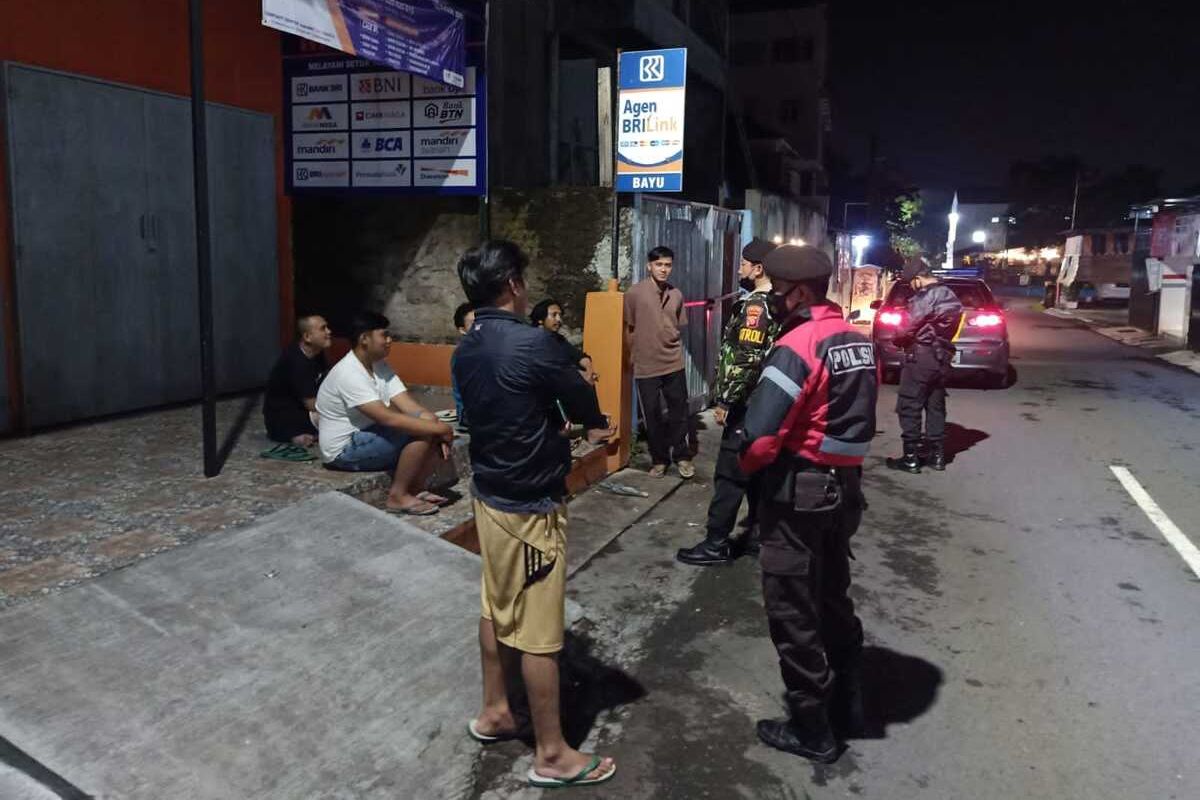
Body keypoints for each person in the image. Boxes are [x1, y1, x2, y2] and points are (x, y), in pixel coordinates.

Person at [454, 240, 617, 789]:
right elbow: (586, 406)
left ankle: (496, 710)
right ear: (515, 285)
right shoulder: (536, 344)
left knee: (495, 605)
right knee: (540, 632)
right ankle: (552, 755)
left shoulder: (467, 345)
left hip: (489, 493)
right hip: (530, 504)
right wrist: (590, 425)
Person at [736, 244, 878, 764]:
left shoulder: (798, 344)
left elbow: (759, 437)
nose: (770, 297)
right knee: (833, 594)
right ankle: (850, 702)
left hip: (798, 491)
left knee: (792, 607)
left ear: (796, 291)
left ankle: (813, 728)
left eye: (774, 288)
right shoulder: (855, 340)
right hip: (844, 490)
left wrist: (749, 470)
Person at [677, 238, 780, 566]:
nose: (739, 268)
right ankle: (759, 537)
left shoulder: (756, 307)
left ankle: (716, 543)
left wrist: (726, 400)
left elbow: (747, 359)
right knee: (757, 472)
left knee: (730, 474)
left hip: (747, 403)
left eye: (744, 264)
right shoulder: (777, 303)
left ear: (758, 269)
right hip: (765, 404)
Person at [316, 311, 455, 516]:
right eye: (384, 335)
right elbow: (387, 418)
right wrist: (440, 429)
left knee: (428, 424)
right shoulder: (349, 373)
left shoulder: (379, 365)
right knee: (424, 431)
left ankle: (414, 490)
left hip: (370, 435)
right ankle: (397, 496)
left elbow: (411, 407)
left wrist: (436, 425)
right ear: (364, 339)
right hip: (344, 450)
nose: (390, 340)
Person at [885, 261, 964, 473]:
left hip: (920, 357)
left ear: (918, 278)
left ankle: (910, 458)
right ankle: (936, 456)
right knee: (935, 404)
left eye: (911, 283)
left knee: (909, 404)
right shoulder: (950, 295)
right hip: (942, 358)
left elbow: (907, 328)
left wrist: (897, 339)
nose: (911, 287)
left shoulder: (924, 297)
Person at [624, 245, 694, 479]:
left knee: (679, 411)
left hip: (673, 361)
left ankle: (682, 456)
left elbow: (677, 326)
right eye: (659, 265)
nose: (663, 269)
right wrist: (633, 356)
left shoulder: (676, 294)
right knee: (652, 415)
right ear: (649, 266)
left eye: (667, 265)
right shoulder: (634, 293)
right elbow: (629, 327)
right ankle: (659, 459)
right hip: (646, 364)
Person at [262, 314, 332, 448]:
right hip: (283, 420)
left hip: (300, 410)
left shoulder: (317, 354)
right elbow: (312, 405)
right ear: (307, 337)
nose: (329, 332)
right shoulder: (297, 362)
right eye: (323, 329)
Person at [530, 298, 596, 384]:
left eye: (560, 315)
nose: (559, 320)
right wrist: (578, 374)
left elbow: (578, 355)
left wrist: (589, 371)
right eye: (554, 315)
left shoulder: (558, 339)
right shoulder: (532, 341)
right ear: (540, 319)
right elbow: (552, 367)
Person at [452, 302, 475, 429]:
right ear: (462, 330)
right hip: (469, 414)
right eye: (473, 323)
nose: (479, 327)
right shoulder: (465, 353)